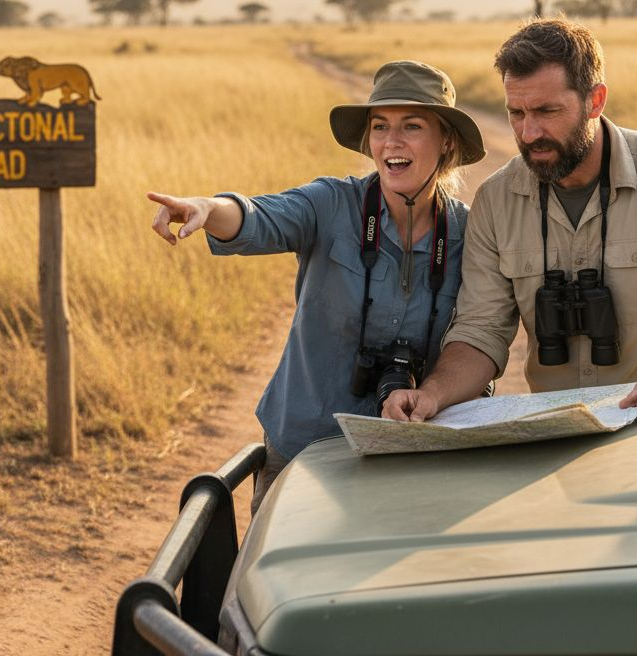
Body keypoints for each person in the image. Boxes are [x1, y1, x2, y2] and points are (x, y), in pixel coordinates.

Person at [384, 19, 637, 424]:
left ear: (595, 101)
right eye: (516, 113)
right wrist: (432, 394)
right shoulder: (495, 200)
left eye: (547, 111)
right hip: (558, 430)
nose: (529, 132)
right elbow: (480, 332)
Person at [148, 60, 484, 509]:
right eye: (380, 126)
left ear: (446, 141)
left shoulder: (468, 233)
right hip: (305, 444)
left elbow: (483, 333)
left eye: (412, 126)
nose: (392, 141)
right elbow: (260, 217)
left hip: (414, 448)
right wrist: (207, 208)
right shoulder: (331, 204)